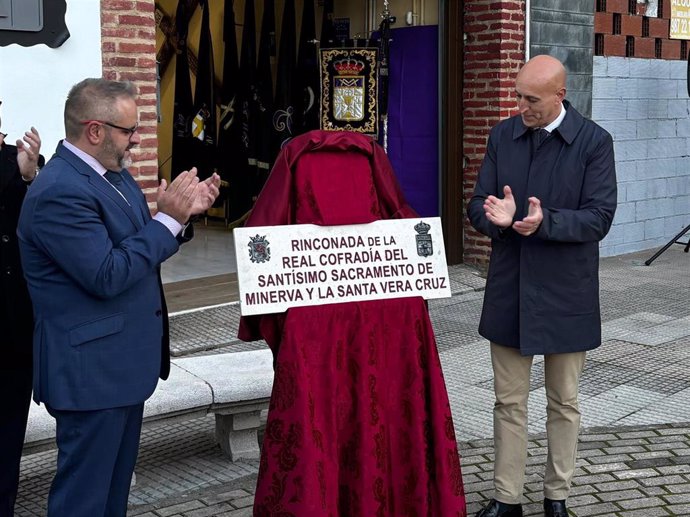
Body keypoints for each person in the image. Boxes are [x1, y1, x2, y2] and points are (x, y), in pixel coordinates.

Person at [17, 78, 220, 517]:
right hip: (91, 373)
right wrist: (167, 219)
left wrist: (178, 220)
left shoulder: (113, 176)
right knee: (83, 501)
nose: (138, 138)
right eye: (130, 130)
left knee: (111, 499)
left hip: (121, 365)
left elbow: (134, 244)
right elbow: (107, 274)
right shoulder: (59, 191)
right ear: (95, 131)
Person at [239, 130, 467, 517]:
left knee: (317, 430)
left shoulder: (304, 297)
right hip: (386, 316)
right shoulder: (401, 287)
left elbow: (264, 261)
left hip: (311, 324)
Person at [467, 55, 617, 517]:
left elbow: (599, 217)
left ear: (560, 97)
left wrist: (542, 222)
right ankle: (506, 498)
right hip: (511, 288)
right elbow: (477, 205)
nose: (520, 106)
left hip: (566, 291)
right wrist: (498, 220)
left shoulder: (594, 142)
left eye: (530, 99)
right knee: (508, 402)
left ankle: (558, 498)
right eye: (517, 95)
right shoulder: (502, 136)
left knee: (564, 402)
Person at [0, 101, 42, 517]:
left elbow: (39, 219)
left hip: (12, 329)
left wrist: (28, 174)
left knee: (9, 434)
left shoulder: (20, 162)